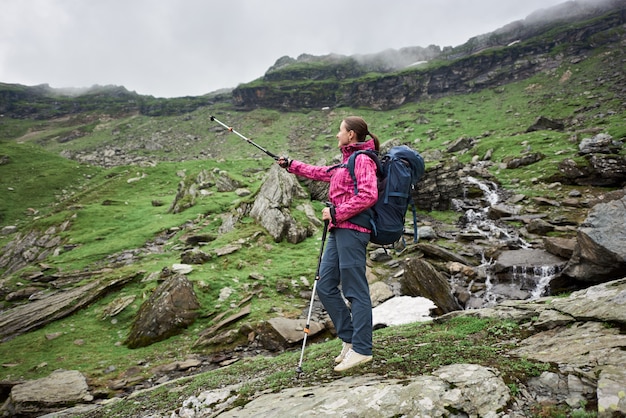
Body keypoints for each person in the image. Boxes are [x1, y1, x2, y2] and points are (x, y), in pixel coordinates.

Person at [278, 116, 380, 372]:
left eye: (340, 131)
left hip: (353, 229)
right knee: (325, 285)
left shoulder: (363, 160)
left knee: (355, 290)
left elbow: (369, 194)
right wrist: (290, 165)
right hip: (339, 230)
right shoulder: (346, 162)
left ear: (351, 135)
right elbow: (319, 172)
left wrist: (337, 213)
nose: (337, 135)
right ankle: (349, 339)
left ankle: (363, 349)